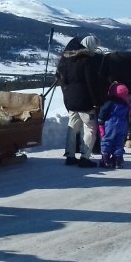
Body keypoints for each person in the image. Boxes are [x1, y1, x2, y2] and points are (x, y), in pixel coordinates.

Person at [55, 37, 105, 168]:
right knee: (90, 129)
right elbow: (91, 83)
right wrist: (97, 101)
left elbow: (63, 79)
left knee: (72, 130)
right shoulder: (88, 61)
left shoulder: (68, 59)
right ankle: (85, 157)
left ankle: (70, 156)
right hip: (85, 102)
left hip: (71, 100)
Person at [98, 83, 131, 169]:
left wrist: (101, 123)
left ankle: (105, 160)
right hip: (123, 124)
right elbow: (129, 114)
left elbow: (103, 112)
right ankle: (117, 162)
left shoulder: (110, 102)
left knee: (107, 141)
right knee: (119, 143)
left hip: (111, 123)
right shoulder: (126, 103)